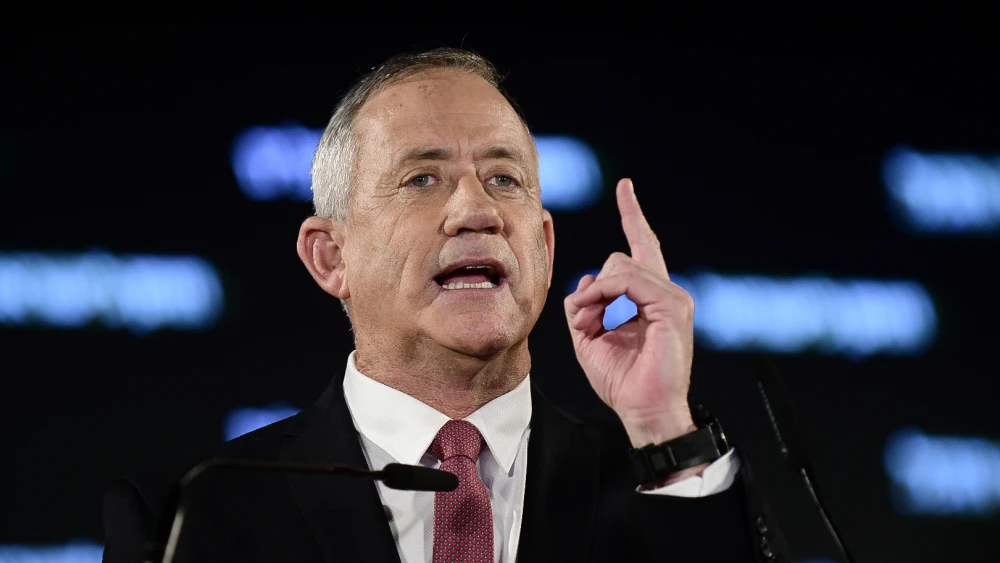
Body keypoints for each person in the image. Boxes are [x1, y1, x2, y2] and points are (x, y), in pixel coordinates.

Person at [102, 48, 790, 563]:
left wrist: (660, 425)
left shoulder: (666, 481)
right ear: (329, 256)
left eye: (504, 178)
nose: (476, 208)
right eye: (423, 177)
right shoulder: (192, 515)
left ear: (545, 247)